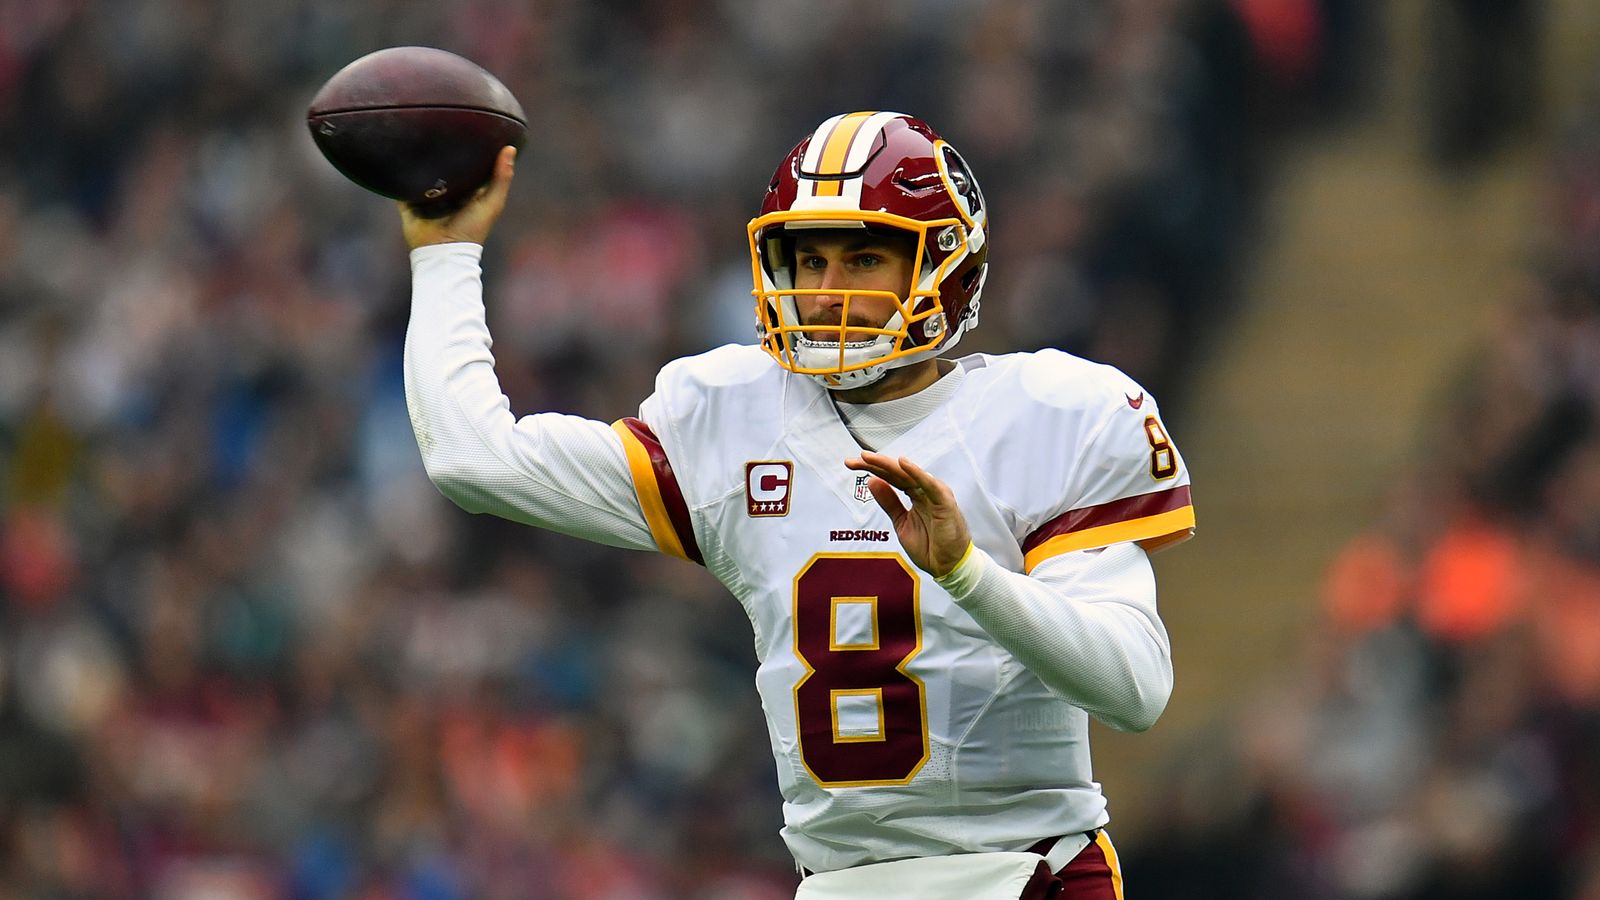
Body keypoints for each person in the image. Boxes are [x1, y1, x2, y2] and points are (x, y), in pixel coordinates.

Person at [399, 111, 1195, 899]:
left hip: (1023, 872)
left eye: (863, 257)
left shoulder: (1051, 414)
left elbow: (1133, 689)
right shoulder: (733, 415)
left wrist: (964, 572)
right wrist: (443, 251)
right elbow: (471, 457)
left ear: (948, 269)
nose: (824, 290)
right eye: (808, 258)